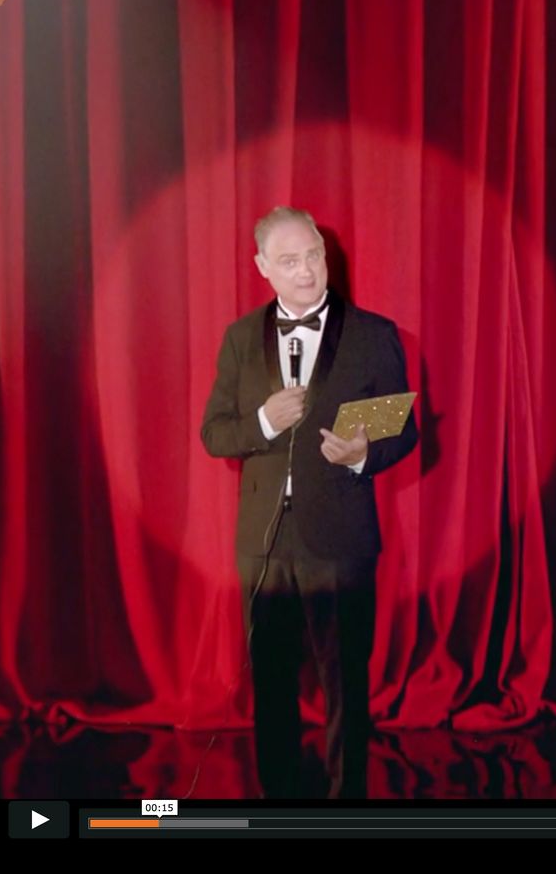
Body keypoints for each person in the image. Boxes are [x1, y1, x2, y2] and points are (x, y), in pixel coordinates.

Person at [200, 206, 418, 799]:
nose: (306, 272)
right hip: (264, 546)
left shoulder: (374, 335)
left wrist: (359, 455)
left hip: (342, 537)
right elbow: (214, 433)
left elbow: (403, 429)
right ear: (263, 268)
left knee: (346, 685)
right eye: (290, 261)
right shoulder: (240, 339)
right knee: (271, 686)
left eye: (314, 256)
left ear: (326, 254)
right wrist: (263, 423)